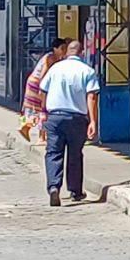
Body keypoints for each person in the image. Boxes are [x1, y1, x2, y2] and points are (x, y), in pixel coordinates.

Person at [37, 37, 101, 207]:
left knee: (53, 153)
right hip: (76, 119)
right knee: (75, 154)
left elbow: (42, 89)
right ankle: (75, 191)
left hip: (55, 117)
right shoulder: (87, 71)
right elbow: (92, 96)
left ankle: (53, 187)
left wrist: (43, 111)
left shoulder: (56, 69)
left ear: (67, 52)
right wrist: (93, 121)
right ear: (82, 53)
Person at [21, 38, 67, 142]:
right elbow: (43, 74)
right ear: (55, 48)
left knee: (36, 109)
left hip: (37, 83)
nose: (64, 50)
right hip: (37, 84)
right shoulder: (50, 58)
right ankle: (41, 137)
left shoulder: (57, 59)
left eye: (65, 48)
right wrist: (43, 90)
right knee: (42, 109)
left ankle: (26, 127)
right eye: (62, 48)